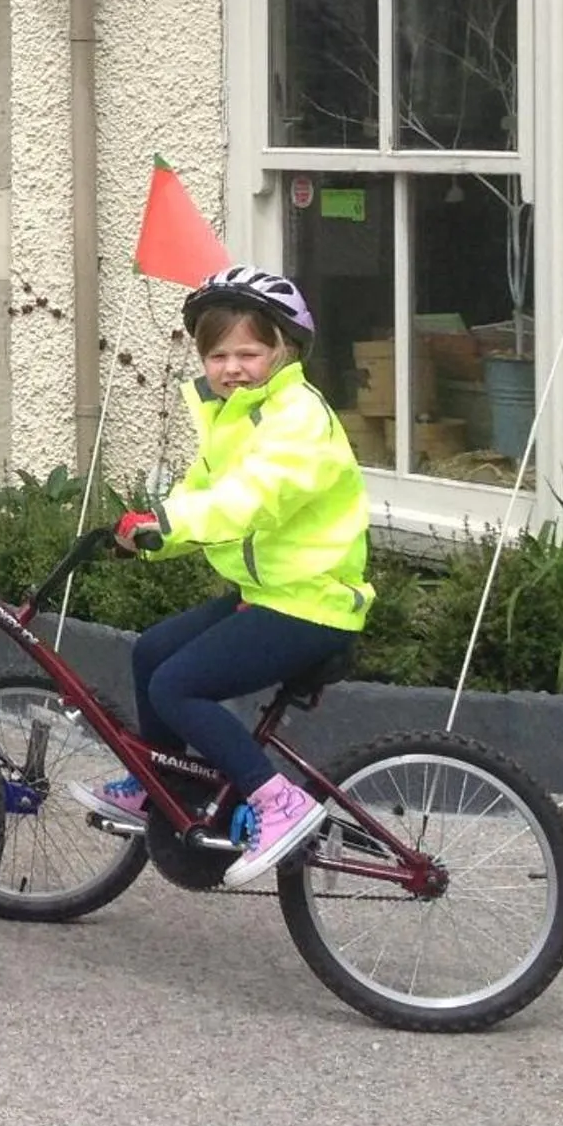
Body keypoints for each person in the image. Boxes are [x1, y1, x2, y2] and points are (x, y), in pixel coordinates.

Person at [74, 265, 373, 888]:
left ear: (285, 351)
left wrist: (173, 520)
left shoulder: (297, 417)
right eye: (218, 354)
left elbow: (255, 497)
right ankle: (170, 787)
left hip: (313, 601)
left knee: (178, 688)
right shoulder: (234, 418)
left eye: (249, 352)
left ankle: (276, 801)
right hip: (270, 593)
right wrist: (149, 537)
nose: (232, 367)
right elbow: (200, 498)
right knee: (152, 653)